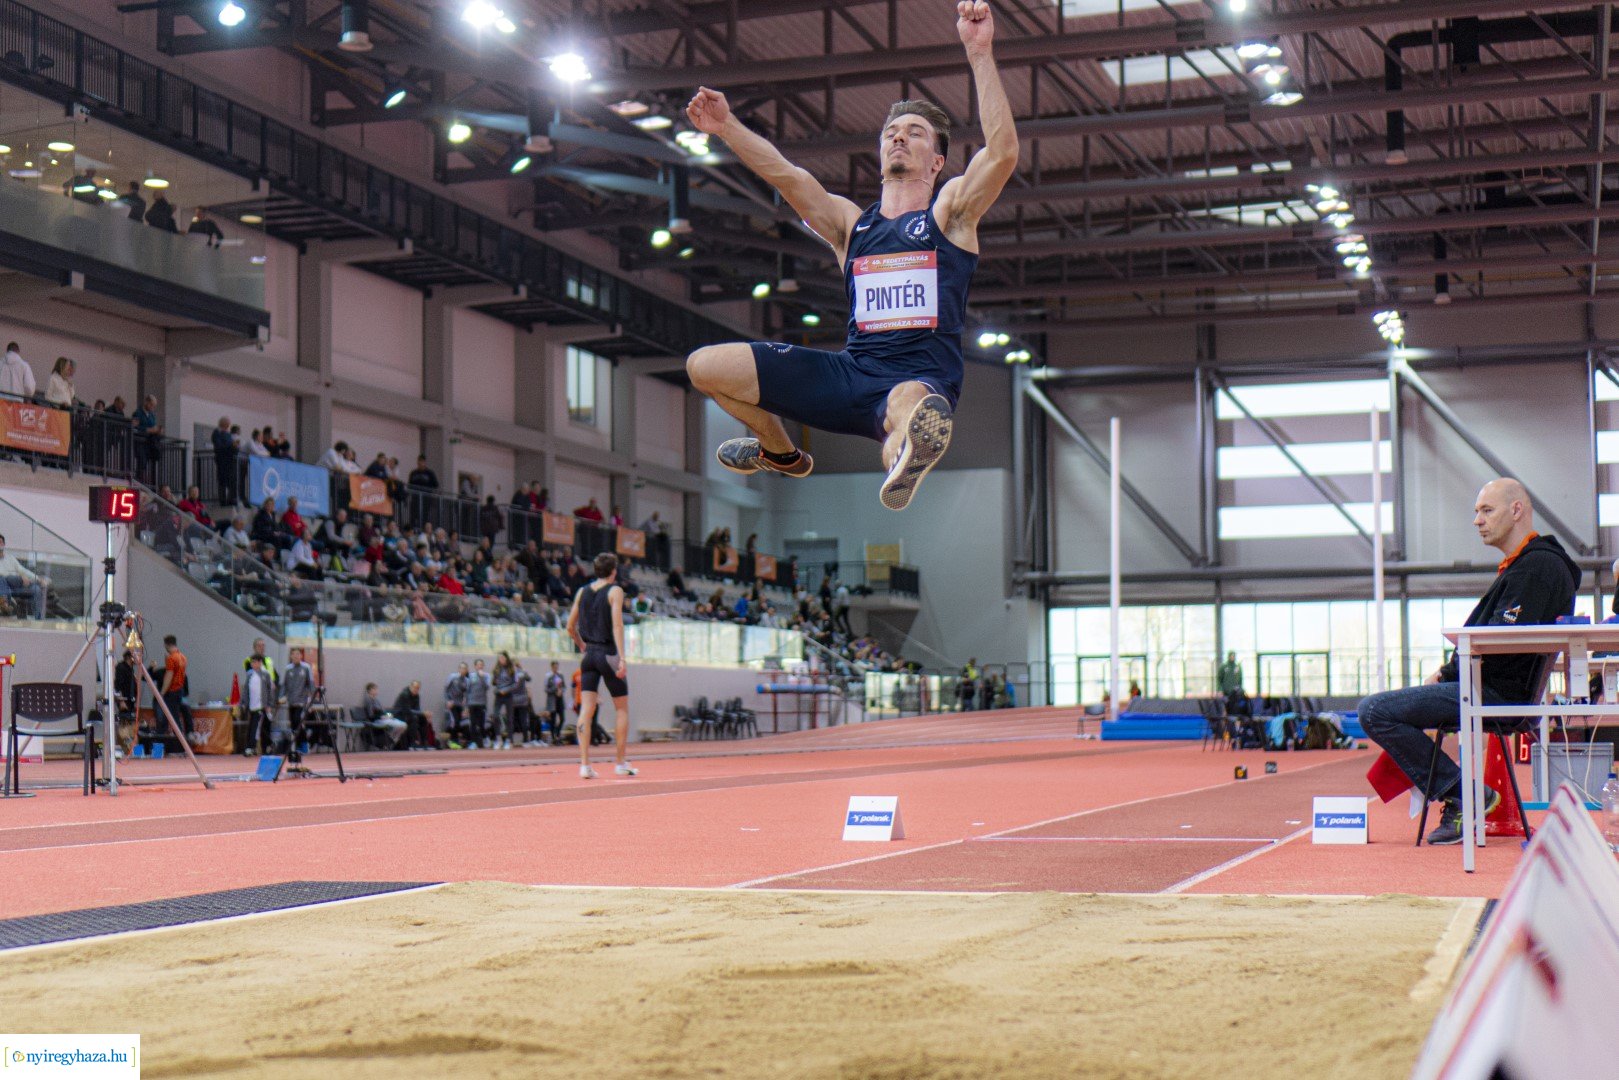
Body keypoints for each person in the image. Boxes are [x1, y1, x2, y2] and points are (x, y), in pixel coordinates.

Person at [682, 2, 1015, 511]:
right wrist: (727, 127)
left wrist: (980, 52)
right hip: (848, 376)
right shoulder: (850, 225)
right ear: (881, 153)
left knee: (910, 407)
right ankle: (780, 452)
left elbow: (1003, 154)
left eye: (915, 133)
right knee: (703, 365)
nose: (899, 137)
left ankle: (902, 454)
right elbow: (786, 175)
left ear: (938, 161)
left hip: (916, 378)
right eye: (890, 133)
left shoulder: (950, 214)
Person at [1358, 478, 1580, 846]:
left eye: (1486, 510)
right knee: (1384, 710)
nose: (1477, 520)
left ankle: (1465, 794)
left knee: (1374, 711)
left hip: (1493, 693)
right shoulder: (1526, 566)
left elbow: (1500, 642)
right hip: (1489, 687)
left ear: (1517, 510)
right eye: (1477, 511)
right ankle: (1463, 794)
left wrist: (1446, 674)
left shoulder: (1537, 568)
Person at [567, 552, 637, 779]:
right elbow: (617, 625)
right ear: (614, 571)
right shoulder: (615, 591)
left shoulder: (582, 591)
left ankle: (585, 766)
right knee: (621, 708)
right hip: (608, 653)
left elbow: (569, 626)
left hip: (589, 656)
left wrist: (581, 645)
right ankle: (620, 763)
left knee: (586, 709)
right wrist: (623, 658)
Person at [0, 532, 49, 619]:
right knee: (5, 578)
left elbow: (22, 570)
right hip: (6, 585)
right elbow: (3, 574)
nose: (0, 544)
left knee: (36, 589)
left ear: (4, 544)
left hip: (19, 586)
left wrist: (37, 578)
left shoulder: (10, 558)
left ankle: (39, 620)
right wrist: (21, 578)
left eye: (1, 542)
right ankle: (5, 604)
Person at [158, 634, 194, 739]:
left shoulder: (172, 658)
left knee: (172, 717)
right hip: (180, 690)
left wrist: (162, 692)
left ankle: (177, 740)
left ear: (167, 644)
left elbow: (169, 676)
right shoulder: (182, 657)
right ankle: (185, 736)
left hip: (172, 691)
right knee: (181, 714)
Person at [282, 646, 315, 755]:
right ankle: (298, 745)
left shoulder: (306, 668)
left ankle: (304, 744)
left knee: (298, 721)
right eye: (294, 654)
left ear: (301, 656)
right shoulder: (288, 669)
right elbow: (284, 685)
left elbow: (310, 684)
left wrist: (311, 702)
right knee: (293, 724)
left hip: (302, 702)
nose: (296, 656)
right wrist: (281, 697)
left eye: (298, 654)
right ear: (291, 656)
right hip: (291, 701)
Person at [242, 654, 275, 756]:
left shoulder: (265, 674)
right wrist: (244, 703)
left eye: (255, 662)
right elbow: (246, 690)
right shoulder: (249, 675)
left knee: (256, 728)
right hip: (252, 706)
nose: (253, 664)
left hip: (262, 706)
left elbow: (270, 690)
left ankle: (251, 747)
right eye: (252, 662)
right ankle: (269, 744)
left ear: (260, 662)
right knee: (256, 727)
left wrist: (269, 704)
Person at [354, 682, 405, 749]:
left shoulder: (377, 700)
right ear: (369, 690)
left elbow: (383, 712)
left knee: (403, 725)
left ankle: (392, 741)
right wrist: (382, 717)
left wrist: (389, 715)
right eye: (374, 689)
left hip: (383, 718)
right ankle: (389, 742)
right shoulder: (368, 700)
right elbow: (371, 715)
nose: (376, 691)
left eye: (376, 689)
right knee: (397, 725)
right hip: (377, 720)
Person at [391, 680, 431, 750]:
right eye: (415, 687)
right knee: (413, 719)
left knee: (423, 719)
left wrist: (425, 715)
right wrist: (422, 713)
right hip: (400, 715)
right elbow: (407, 710)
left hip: (409, 715)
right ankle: (414, 741)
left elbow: (417, 709)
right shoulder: (404, 694)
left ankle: (424, 741)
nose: (416, 690)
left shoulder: (417, 696)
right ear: (410, 686)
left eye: (418, 688)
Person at [211, 416, 239, 506]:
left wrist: (235, 447)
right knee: (223, 481)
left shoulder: (228, 434)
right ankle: (223, 501)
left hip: (230, 461)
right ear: (223, 424)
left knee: (231, 481)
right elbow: (219, 447)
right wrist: (231, 446)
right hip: (222, 461)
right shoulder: (217, 433)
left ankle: (231, 499)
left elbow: (232, 447)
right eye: (227, 424)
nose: (228, 425)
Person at [465, 657, 492, 748]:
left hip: (482, 703)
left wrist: (482, 676)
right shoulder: (470, 676)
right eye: (478, 665)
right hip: (472, 703)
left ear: (483, 666)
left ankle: (485, 738)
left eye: (481, 665)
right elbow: (467, 691)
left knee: (481, 723)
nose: (480, 666)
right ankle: (473, 742)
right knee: (472, 723)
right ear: (475, 666)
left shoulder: (487, 676)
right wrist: (466, 705)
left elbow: (487, 687)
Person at [443, 662, 471, 749]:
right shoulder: (452, 677)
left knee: (460, 722)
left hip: (460, 705)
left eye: (465, 669)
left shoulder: (467, 681)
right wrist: (448, 701)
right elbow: (445, 690)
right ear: (459, 669)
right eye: (461, 668)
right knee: (454, 721)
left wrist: (466, 707)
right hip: (451, 704)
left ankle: (460, 740)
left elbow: (467, 695)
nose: (463, 670)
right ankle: (452, 740)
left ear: (467, 670)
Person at [543, 660, 566, 745]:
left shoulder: (560, 675)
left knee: (562, 718)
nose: (556, 668)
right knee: (553, 720)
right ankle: (554, 737)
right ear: (552, 667)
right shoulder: (548, 676)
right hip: (552, 701)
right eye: (555, 667)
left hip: (560, 700)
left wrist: (561, 691)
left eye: (557, 667)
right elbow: (546, 689)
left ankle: (557, 734)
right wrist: (555, 689)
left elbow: (564, 686)